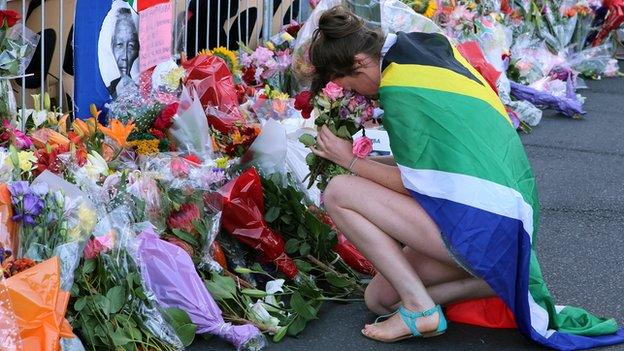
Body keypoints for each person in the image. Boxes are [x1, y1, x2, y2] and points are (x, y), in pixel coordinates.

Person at [307, 5, 624, 349]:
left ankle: (420, 308)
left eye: (348, 82)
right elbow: (442, 161)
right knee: (379, 301)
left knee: (339, 190)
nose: (357, 92)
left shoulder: (400, 90)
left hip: (481, 227)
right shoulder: (424, 48)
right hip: (507, 225)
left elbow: (413, 185)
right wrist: (368, 159)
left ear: (360, 62)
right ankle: (493, 281)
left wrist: (348, 160)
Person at [107, 7, 140, 97]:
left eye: (131, 46)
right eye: (119, 44)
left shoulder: (145, 89)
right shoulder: (107, 89)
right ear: (112, 46)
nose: (124, 57)